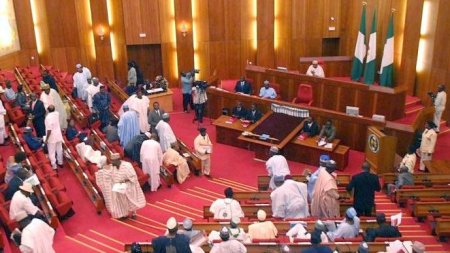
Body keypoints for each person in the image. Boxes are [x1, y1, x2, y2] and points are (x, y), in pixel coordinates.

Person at [95, 153, 145, 219]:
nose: (112, 163)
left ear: (118, 160)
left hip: (129, 185)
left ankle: (133, 213)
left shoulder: (127, 165)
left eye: (113, 161)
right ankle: (125, 213)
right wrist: (100, 169)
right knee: (122, 200)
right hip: (120, 187)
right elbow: (104, 169)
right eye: (111, 161)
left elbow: (133, 177)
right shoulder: (113, 165)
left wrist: (123, 181)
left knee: (130, 200)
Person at [45, 105, 64, 170]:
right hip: (58, 135)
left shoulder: (47, 118)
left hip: (51, 137)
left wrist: (46, 139)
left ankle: (54, 166)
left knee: (51, 152)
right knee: (59, 149)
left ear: (47, 110)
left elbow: (49, 130)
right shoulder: (57, 114)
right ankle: (60, 162)